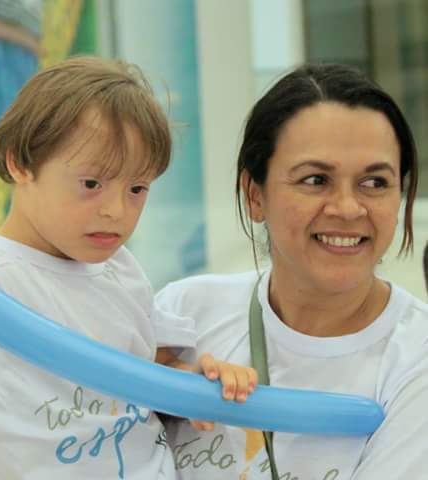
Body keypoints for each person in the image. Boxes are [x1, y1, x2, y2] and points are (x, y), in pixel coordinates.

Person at [0, 57, 256, 480]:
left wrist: (202, 380)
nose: (116, 210)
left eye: (137, 188)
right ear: (19, 163)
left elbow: (152, 364)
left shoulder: (121, 270)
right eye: (92, 184)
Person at [156, 63, 428, 479]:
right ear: (255, 195)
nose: (348, 208)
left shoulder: (417, 358)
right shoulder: (184, 317)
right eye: (316, 179)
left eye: (374, 183)